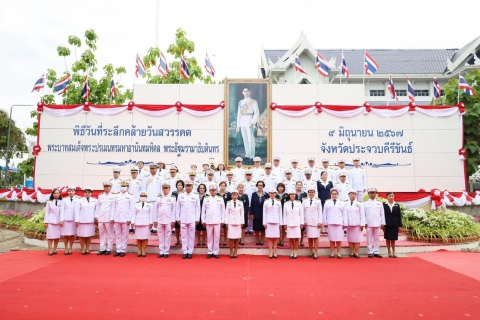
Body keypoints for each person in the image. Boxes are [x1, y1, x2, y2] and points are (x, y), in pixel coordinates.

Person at [176, 180, 201, 259]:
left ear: (192, 187)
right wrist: (178, 218)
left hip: (192, 219)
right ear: (185, 187)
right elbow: (177, 208)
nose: (188, 187)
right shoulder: (180, 196)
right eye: (187, 186)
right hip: (183, 219)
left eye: (190, 186)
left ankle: (190, 251)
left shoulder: (196, 196)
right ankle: (185, 251)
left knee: (191, 236)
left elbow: (198, 209)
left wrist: (197, 219)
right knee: (183, 236)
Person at [110, 180, 135, 257]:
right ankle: (118, 249)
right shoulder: (116, 195)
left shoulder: (130, 196)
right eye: (122, 186)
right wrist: (112, 217)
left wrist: (130, 219)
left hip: (125, 218)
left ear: (127, 187)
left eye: (125, 186)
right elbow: (113, 207)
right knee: (117, 234)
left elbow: (132, 209)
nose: (123, 188)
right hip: (117, 217)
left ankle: (123, 250)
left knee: (124, 235)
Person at [201, 184, 225, 259]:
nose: (213, 192)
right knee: (209, 237)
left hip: (217, 220)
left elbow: (223, 211)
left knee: (217, 237)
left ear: (217, 191)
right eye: (211, 190)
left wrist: (222, 220)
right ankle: (209, 251)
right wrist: (203, 220)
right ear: (209, 191)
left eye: (214, 190)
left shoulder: (220, 198)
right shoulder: (206, 198)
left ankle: (216, 252)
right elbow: (203, 211)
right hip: (208, 220)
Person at [323, 188, 348, 259]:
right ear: (330, 194)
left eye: (335, 194)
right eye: (332, 194)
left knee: (339, 239)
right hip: (330, 223)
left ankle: (339, 253)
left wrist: (345, 223)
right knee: (332, 239)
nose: (334, 195)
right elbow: (324, 213)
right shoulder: (327, 202)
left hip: (339, 223)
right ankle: (332, 252)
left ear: (338, 195)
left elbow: (345, 214)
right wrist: (325, 222)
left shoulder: (342, 202)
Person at [236, 87, 259, 160]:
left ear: (250, 92)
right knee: (245, 139)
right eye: (244, 91)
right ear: (242, 93)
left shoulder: (253, 102)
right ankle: (247, 154)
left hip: (249, 120)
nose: (246, 93)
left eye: (247, 91)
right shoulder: (240, 102)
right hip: (242, 121)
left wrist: (252, 122)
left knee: (250, 139)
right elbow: (239, 114)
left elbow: (256, 113)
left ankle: (252, 155)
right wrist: (238, 125)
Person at [154, 183, 176, 258]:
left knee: (167, 236)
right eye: (164, 188)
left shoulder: (172, 198)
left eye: (166, 188)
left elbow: (174, 210)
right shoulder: (158, 198)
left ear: (169, 189)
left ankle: (166, 251)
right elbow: (155, 210)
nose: (165, 190)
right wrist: (155, 220)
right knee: (160, 236)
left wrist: (173, 221)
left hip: (168, 220)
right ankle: (161, 251)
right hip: (160, 220)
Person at [364, 187, 385, 258]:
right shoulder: (365, 203)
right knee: (369, 239)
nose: (372, 194)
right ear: (368, 194)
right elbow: (363, 214)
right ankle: (370, 251)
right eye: (371, 193)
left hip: (377, 223)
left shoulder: (379, 203)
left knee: (376, 239)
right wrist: (364, 222)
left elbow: (382, 213)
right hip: (369, 223)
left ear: (376, 193)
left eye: (373, 193)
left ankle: (376, 251)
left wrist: (383, 223)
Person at [95, 181, 115, 255]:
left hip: (109, 217)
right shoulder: (100, 196)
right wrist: (96, 216)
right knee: (102, 234)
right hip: (101, 217)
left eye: (108, 187)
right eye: (105, 187)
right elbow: (98, 206)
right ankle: (102, 248)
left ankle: (109, 248)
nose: (106, 188)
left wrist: (112, 217)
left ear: (110, 187)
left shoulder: (113, 196)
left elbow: (113, 208)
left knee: (110, 234)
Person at [283, 190, 304, 259]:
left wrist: (301, 223)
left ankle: (296, 252)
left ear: (295, 195)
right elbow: (284, 215)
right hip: (289, 223)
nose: (292, 195)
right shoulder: (286, 204)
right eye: (291, 194)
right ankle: (292, 251)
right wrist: (285, 224)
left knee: (297, 238)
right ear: (289, 195)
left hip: (297, 223)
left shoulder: (299, 203)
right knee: (291, 239)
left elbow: (301, 214)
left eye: (293, 194)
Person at [75, 187, 97, 255]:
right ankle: (82, 248)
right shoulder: (80, 200)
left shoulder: (95, 200)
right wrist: (77, 220)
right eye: (86, 192)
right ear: (84, 193)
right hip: (82, 221)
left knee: (89, 235)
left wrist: (96, 217)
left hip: (91, 220)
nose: (87, 194)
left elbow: (97, 210)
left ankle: (87, 248)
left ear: (91, 193)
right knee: (82, 235)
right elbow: (77, 210)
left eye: (89, 192)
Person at [131, 191, 153, 257]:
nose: (143, 197)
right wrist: (132, 222)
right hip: (138, 222)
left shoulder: (150, 204)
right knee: (139, 238)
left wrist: (151, 222)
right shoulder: (136, 204)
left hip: (146, 222)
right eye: (141, 196)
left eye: (144, 196)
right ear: (139, 197)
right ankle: (139, 250)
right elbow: (133, 213)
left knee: (145, 237)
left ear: (146, 197)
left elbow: (151, 214)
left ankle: (143, 250)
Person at [303, 186, 323, 259]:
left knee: (316, 237)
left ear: (314, 193)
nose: (311, 193)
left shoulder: (318, 201)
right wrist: (303, 221)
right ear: (308, 193)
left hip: (316, 222)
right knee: (310, 238)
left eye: (312, 192)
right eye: (310, 192)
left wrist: (320, 222)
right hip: (308, 222)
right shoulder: (304, 201)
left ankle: (316, 252)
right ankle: (311, 251)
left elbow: (320, 212)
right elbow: (303, 212)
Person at [263, 188, 283, 259]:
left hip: (276, 222)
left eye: (273, 193)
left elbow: (280, 212)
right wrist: (264, 223)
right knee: (270, 237)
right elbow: (264, 212)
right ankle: (270, 251)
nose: (272, 194)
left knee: (275, 237)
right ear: (269, 194)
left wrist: (281, 223)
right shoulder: (266, 202)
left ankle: (275, 251)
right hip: (268, 221)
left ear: (275, 194)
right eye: (271, 193)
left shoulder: (278, 201)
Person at [345, 189, 365, 258]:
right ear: (349, 195)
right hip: (349, 224)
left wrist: (362, 224)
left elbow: (362, 214)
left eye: (354, 194)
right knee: (350, 239)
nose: (352, 195)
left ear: (356, 195)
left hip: (357, 224)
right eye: (351, 194)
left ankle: (356, 252)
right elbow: (344, 214)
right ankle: (351, 252)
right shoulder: (346, 203)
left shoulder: (359, 203)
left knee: (357, 239)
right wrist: (345, 223)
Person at [225, 190, 244, 258]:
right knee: (231, 238)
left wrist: (242, 222)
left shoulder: (240, 203)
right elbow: (226, 213)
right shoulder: (228, 203)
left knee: (237, 238)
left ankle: (236, 251)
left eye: (236, 195)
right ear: (231, 196)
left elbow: (242, 213)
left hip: (238, 222)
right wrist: (226, 222)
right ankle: (231, 251)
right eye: (233, 195)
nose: (234, 196)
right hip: (230, 222)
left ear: (238, 195)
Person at [60, 186, 79, 255]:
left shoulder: (77, 200)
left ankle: (70, 247)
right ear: (67, 192)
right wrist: (61, 220)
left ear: (74, 192)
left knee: (71, 235)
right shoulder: (64, 200)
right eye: (69, 191)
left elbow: (78, 211)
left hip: (73, 219)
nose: (71, 192)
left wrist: (77, 220)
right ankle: (66, 248)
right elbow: (62, 210)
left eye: (72, 191)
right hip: (66, 219)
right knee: (65, 235)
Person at [383, 192, 402, 258]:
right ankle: (389, 251)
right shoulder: (384, 205)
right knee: (388, 239)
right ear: (387, 197)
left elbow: (399, 215)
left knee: (393, 239)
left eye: (392, 196)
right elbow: (382, 215)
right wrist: (382, 224)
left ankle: (394, 251)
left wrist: (399, 225)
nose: (391, 197)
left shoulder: (397, 205)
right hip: (387, 224)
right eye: (390, 196)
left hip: (394, 224)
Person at [44, 188, 62, 256]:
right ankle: (50, 249)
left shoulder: (62, 202)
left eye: (57, 193)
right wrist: (46, 222)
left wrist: (61, 220)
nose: (56, 194)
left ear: (59, 194)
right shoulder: (49, 202)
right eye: (54, 193)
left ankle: (55, 249)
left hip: (58, 222)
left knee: (57, 236)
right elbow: (47, 212)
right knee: (50, 236)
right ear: (52, 194)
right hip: (51, 221)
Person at [250, 181, 267, 245]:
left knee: (262, 228)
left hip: (263, 214)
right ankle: (257, 240)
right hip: (255, 213)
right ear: (257, 186)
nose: (260, 186)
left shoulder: (266, 194)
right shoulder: (254, 194)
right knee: (256, 227)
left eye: (261, 185)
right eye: (259, 185)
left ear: (263, 186)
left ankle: (262, 240)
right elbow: (252, 204)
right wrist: (251, 213)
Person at [172, 180, 185, 246]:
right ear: (176, 186)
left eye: (181, 185)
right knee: (177, 227)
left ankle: (183, 241)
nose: (180, 186)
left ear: (183, 186)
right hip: (176, 211)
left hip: (183, 211)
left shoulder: (185, 193)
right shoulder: (174, 193)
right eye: (178, 185)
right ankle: (177, 240)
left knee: (183, 227)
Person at [218, 181, 232, 246]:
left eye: (224, 186)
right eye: (221, 185)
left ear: (226, 187)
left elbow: (230, 203)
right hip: (218, 212)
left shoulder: (229, 194)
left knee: (225, 227)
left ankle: (225, 240)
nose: (223, 187)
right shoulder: (217, 194)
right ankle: (219, 240)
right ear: (219, 186)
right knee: (219, 227)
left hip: (226, 212)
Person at [294, 181, 307, 247]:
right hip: (295, 212)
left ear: (302, 186)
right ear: (295, 186)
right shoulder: (293, 193)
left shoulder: (304, 194)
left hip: (302, 212)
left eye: (300, 185)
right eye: (297, 185)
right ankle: (296, 241)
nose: (299, 186)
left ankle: (301, 241)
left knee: (302, 228)